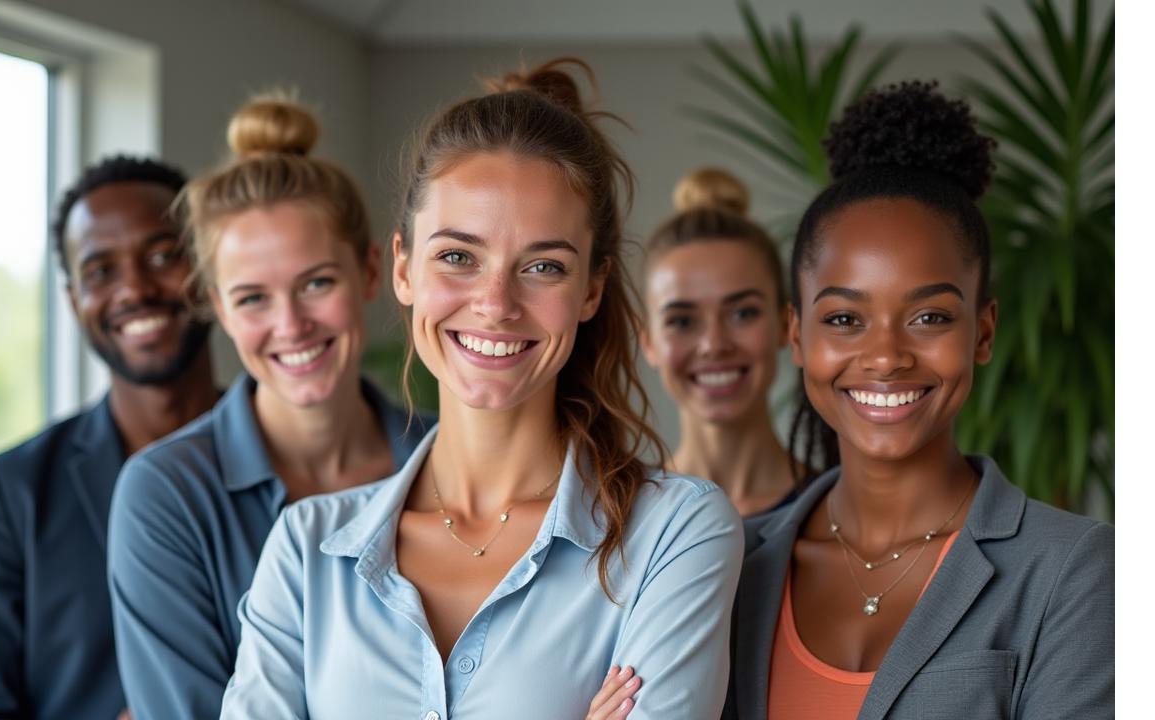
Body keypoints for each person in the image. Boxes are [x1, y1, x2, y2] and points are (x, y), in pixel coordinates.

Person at [220, 58, 743, 720]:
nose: (496, 304)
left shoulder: (677, 533)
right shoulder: (305, 550)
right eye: (458, 257)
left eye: (543, 266)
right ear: (405, 267)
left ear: (591, 289)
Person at [725, 81, 1114, 719]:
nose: (885, 357)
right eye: (845, 320)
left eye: (929, 317)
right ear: (796, 335)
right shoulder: (733, 566)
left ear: (982, 332)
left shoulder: (1072, 570)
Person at [107, 94, 433, 719]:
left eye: (316, 283)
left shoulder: (449, 462)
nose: (291, 325)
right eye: (253, 298)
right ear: (218, 307)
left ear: (372, 271)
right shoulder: (164, 497)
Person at [0, 156, 220, 720]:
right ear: (74, 302)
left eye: (164, 256)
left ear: (212, 268)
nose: (135, 289)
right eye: (101, 271)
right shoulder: (12, 492)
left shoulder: (298, 456)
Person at [641, 167, 799, 517]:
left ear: (785, 325)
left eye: (742, 314)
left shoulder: (836, 513)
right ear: (649, 341)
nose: (713, 344)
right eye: (682, 321)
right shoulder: (619, 520)